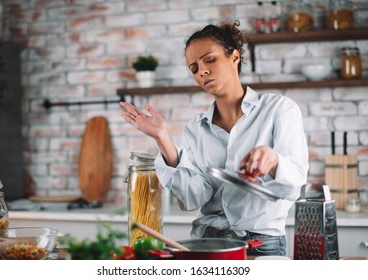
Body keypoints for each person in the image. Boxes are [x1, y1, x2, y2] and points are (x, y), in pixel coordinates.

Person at [120, 20, 309, 256]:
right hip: (206, 241)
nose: (202, 71)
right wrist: (162, 138)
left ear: (234, 57)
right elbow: (193, 198)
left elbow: (294, 185)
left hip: (260, 245)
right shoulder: (196, 128)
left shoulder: (279, 109)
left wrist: (273, 160)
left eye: (210, 59)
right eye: (194, 68)